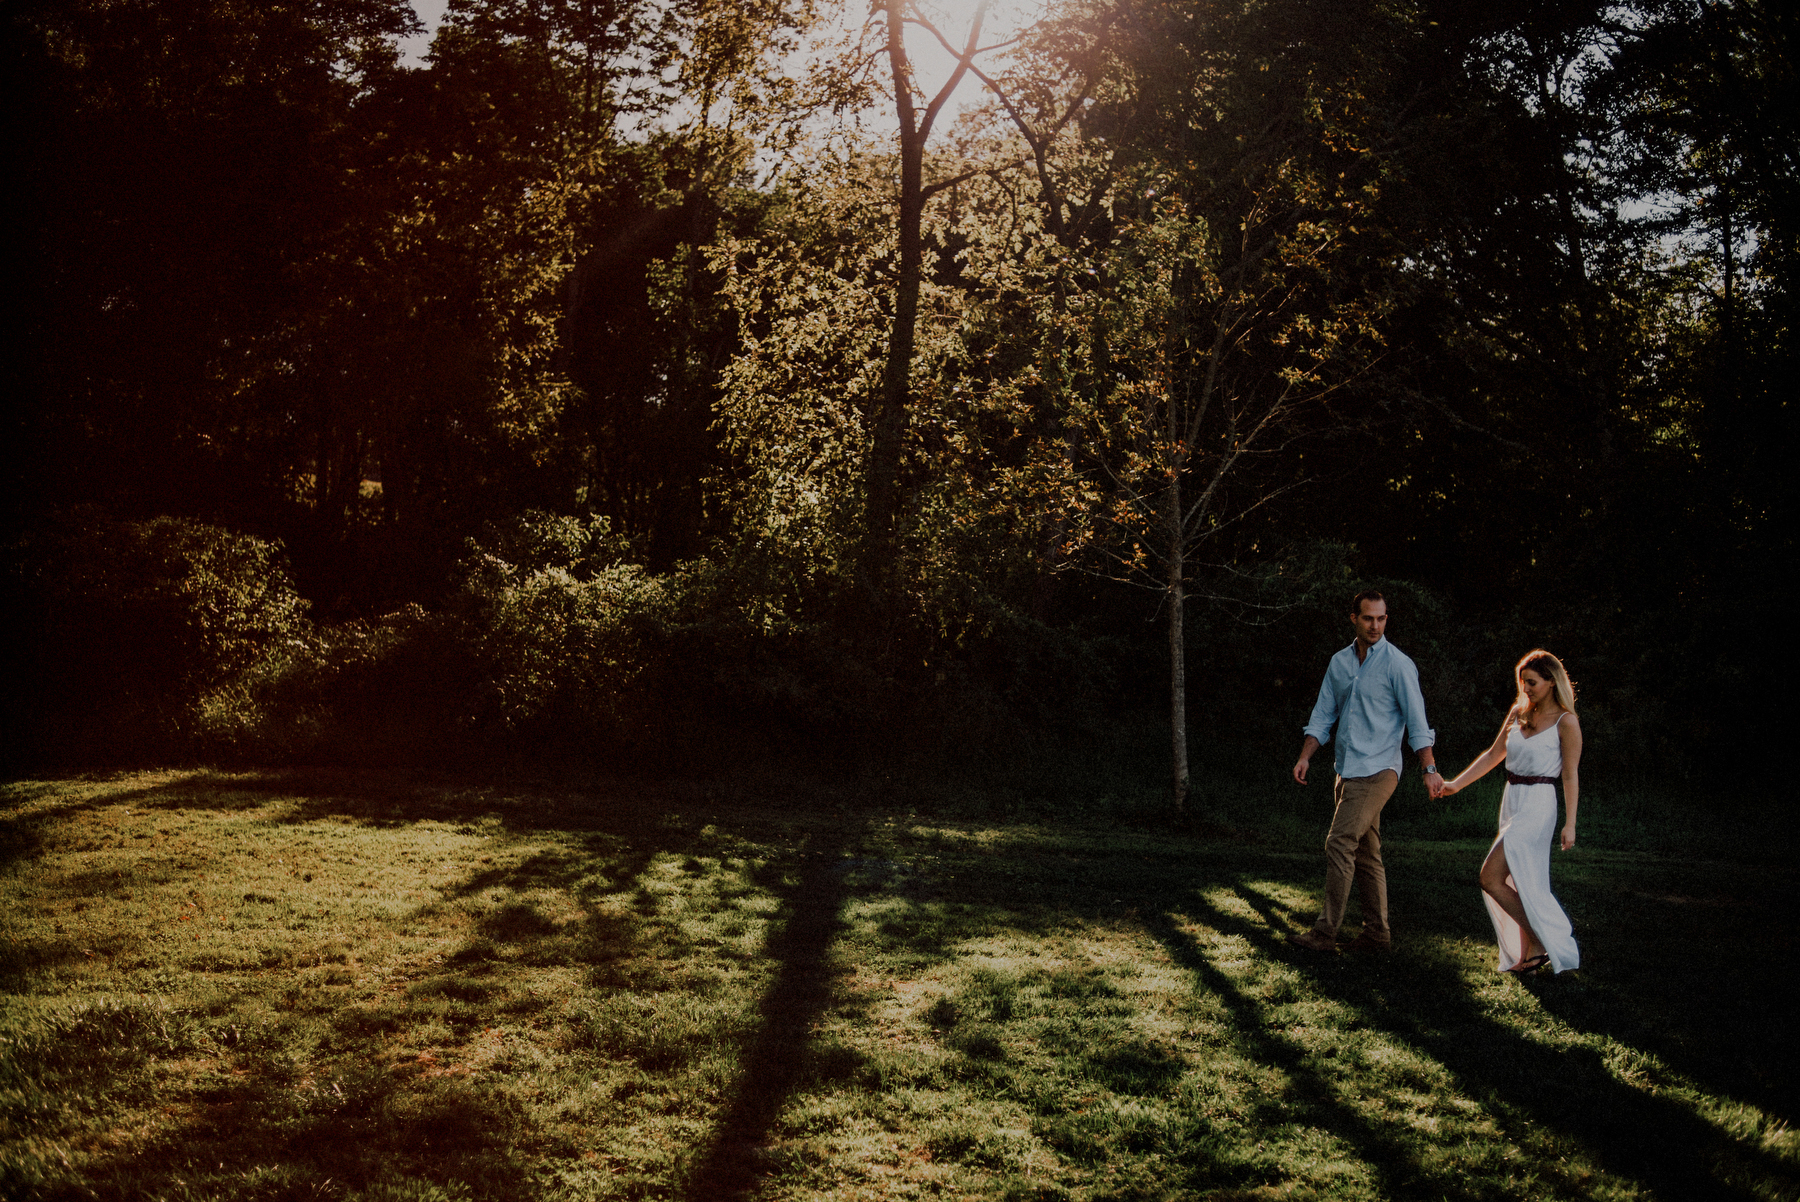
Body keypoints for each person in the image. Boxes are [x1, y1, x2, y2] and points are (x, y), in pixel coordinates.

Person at [1289, 590, 1442, 953]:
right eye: (1369, 618)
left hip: (1380, 770)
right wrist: (1306, 756)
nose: (1375, 625)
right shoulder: (1339, 663)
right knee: (1366, 853)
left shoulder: (1397, 664)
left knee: (1339, 842)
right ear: (1353, 618)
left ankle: (1324, 934)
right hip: (1347, 768)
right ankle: (1377, 935)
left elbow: (1418, 723)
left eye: (1381, 618)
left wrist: (1429, 768)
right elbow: (1323, 714)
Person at [1438, 650, 1582, 974]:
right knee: (1517, 880)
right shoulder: (1519, 713)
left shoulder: (1566, 722)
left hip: (1540, 802)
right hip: (1513, 798)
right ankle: (1530, 954)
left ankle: (1541, 940)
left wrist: (1570, 823)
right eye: (1523, 682)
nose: (1526, 688)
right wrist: (1455, 785)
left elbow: (1571, 774)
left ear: (1550, 681)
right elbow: (1493, 755)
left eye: (1531, 682)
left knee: (1490, 876)